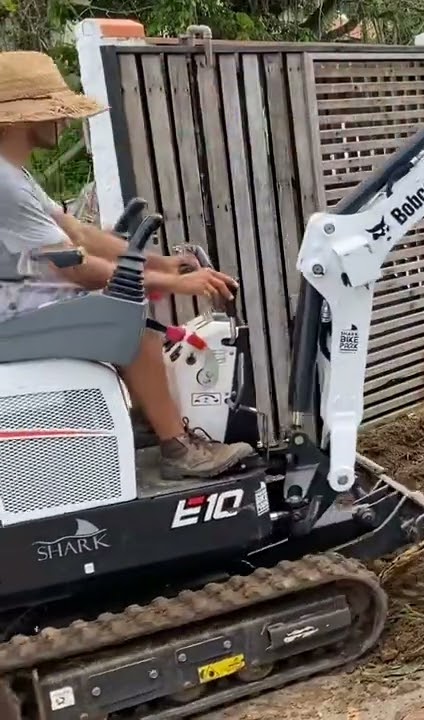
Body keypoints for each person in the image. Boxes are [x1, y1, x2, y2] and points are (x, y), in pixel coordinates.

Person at [0, 50, 254, 479]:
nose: (63, 121)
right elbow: (76, 266)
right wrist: (175, 285)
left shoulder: (14, 174)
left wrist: (160, 264)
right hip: (9, 319)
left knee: (127, 314)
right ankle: (178, 449)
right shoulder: (6, 184)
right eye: (54, 112)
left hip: (17, 304)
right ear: (23, 120)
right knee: (131, 327)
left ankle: (145, 424)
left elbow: (79, 234)